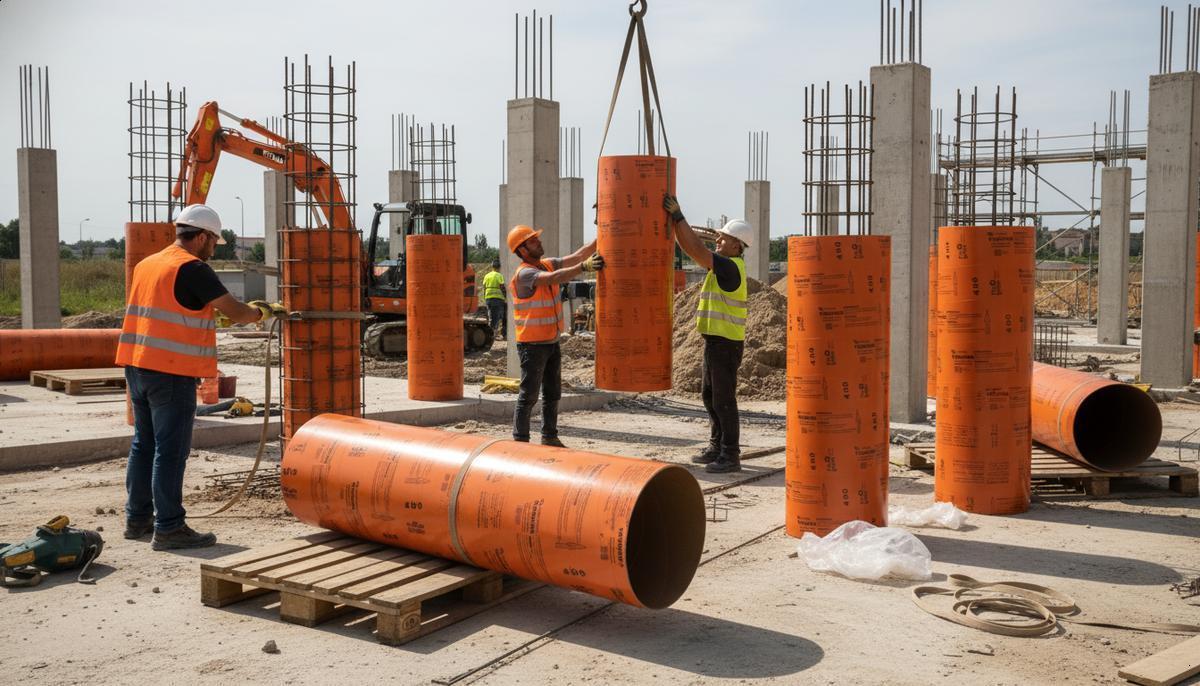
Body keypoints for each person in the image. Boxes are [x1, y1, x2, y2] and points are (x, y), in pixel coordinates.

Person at [115, 204, 283, 550]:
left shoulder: (149, 264)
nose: (212, 250)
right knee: (170, 451)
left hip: (137, 366)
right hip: (172, 372)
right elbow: (237, 312)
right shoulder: (193, 268)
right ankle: (169, 527)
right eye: (213, 243)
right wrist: (261, 312)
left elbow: (172, 308)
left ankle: (138, 519)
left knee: (144, 444)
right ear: (203, 236)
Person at [663, 195, 753, 473]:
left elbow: (696, 251)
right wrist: (678, 224)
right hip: (715, 341)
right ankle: (717, 445)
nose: (719, 240)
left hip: (725, 343)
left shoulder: (730, 267)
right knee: (709, 395)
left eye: (724, 239)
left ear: (737, 245)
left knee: (723, 400)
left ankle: (730, 454)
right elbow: (693, 247)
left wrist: (679, 217)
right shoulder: (723, 265)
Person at [506, 225, 604, 447]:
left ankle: (549, 436)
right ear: (522, 250)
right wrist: (584, 267)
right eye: (533, 241)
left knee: (552, 393)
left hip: (550, 341)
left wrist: (602, 233)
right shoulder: (525, 274)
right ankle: (520, 441)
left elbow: (579, 255)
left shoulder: (546, 264)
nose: (539, 242)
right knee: (529, 395)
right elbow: (554, 278)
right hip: (532, 345)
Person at [482, 258, 507, 340]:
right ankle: (493, 335)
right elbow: (502, 287)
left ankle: (490, 334)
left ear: (492, 267)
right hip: (497, 299)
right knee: (497, 316)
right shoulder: (499, 275)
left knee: (490, 316)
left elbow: (484, 287)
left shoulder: (487, 275)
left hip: (488, 298)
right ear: (499, 267)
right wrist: (505, 296)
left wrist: (485, 297)